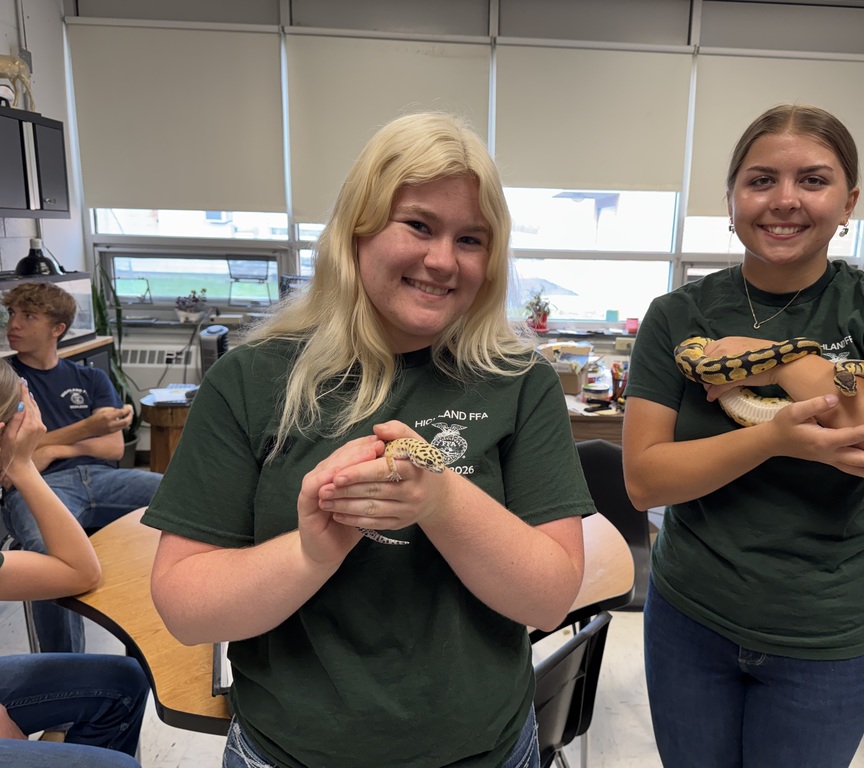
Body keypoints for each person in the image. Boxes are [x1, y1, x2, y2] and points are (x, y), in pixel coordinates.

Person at [143, 112, 593, 768]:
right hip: (288, 754)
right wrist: (310, 552)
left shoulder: (517, 382)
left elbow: (550, 596)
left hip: (484, 753)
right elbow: (186, 608)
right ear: (356, 228)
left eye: (471, 238)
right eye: (418, 225)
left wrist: (438, 500)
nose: (443, 260)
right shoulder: (251, 379)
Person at [622, 104, 864, 768]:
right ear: (732, 199)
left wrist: (772, 357)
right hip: (690, 617)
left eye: (812, 180)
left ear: (849, 202)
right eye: (760, 181)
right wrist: (773, 438)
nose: (784, 201)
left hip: (825, 634)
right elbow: (645, 480)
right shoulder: (677, 317)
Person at [1, 281, 163, 653]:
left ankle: (153, 646)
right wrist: (85, 429)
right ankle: (64, 668)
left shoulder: (90, 378)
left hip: (104, 478)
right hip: (40, 488)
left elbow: (111, 447)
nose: (14, 324)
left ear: (57, 329)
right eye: (12, 314)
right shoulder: (7, 383)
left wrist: (52, 450)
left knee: (181, 499)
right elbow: (10, 453)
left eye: (28, 316)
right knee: (47, 557)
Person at [0, 364, 148, 767]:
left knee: (125, 680)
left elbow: (80, 572)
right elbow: (73, 570)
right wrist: (26, 463)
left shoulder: (89, 376)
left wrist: (27, 461)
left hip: (93, 477)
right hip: (58, 483)